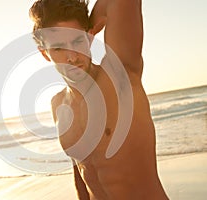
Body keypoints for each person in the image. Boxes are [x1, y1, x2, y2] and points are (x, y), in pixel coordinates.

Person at [29, 0, 169, 199]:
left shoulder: (120, 78)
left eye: (77, 41)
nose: (72, 57)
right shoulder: (58, 105)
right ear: (45, 53)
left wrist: (91, 23)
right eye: (59, 48)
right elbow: (81, 177)